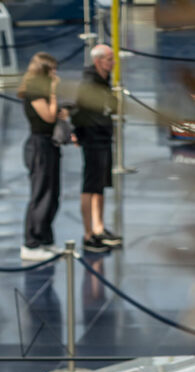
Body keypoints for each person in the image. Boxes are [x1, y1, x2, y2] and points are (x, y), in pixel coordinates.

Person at [72, 43, 122, 253]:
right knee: (90, 185)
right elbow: (79, 111)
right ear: (98, 61)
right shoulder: (89, 82)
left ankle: (99, 227)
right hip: (92, 139)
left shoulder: (103, 79)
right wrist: (78, 133)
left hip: (103, 136)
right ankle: (88, 234)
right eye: (109, 59)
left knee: (100, 185)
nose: (113, 63)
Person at [18, 52, 65, 262]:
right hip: (38, 146)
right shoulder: (35, 91)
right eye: (52, 70)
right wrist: (54, 94)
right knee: (41, 195)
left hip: (49, 144)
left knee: (53, 194)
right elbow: (48, 116)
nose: (55, 74)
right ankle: (31, 242)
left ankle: (46, 238)